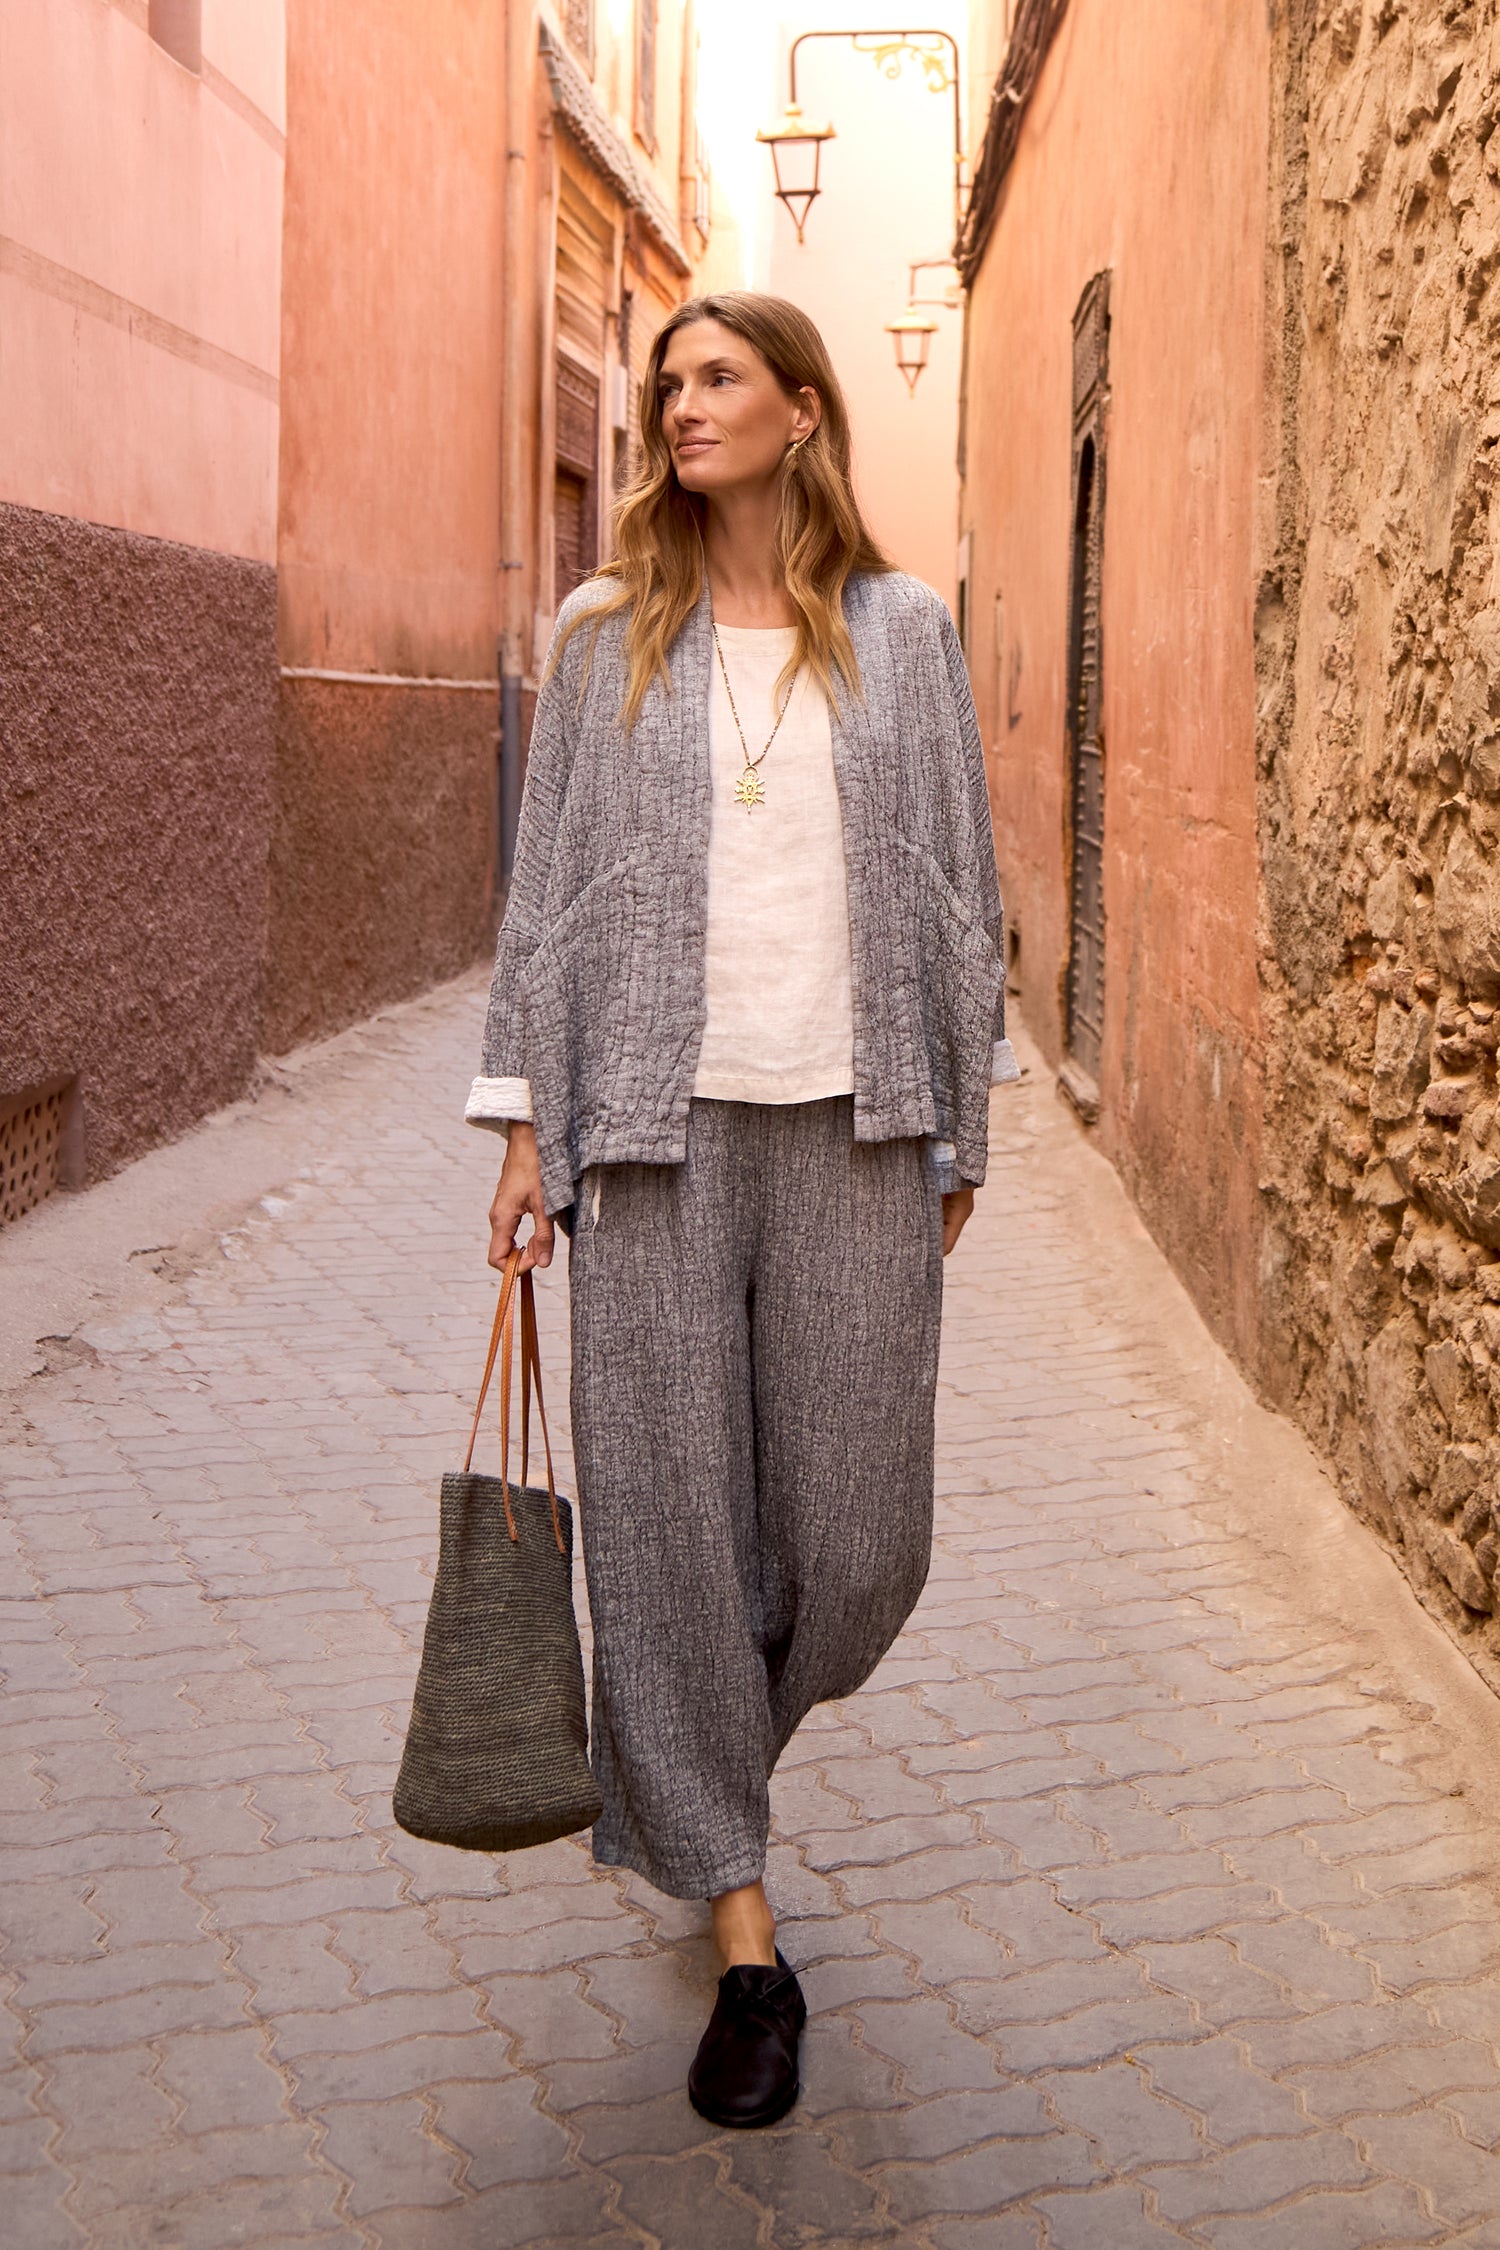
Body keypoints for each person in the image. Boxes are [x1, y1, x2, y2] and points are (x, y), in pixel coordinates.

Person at [467, 292, 1017, 2130]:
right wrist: (525, 1126)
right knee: (672, 1522)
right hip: (651, 1133)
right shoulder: (606, 633)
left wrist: (963, 1123)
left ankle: (689, 1766)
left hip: (861, 1127)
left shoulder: (905, 635)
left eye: (716, 378)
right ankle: (746, 1939)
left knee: (862, 1547)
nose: (680, 404)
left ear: (801, 410)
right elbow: (541, 890)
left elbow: (957, 880)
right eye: (666, 383)